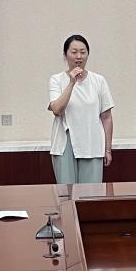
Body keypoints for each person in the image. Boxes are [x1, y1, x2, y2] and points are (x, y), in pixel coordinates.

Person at [47, 34, 114, 185]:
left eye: (83, 52)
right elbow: (57, 109)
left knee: (91, 194)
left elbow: (106, 117)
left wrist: (108, 149)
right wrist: (72, 82)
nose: (79, 56)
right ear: (65, 55)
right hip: (65, 143)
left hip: (92, 141)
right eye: (74, 52)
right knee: (67, 193)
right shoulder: (56, 79)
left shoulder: (99, 80)